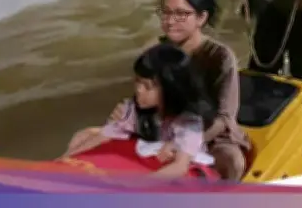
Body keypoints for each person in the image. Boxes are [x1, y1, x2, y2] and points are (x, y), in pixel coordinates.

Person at [63, 44, 216, 179]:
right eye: (138, 82)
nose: (139, 90)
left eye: (148, 87)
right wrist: (65, 159)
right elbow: (105, 134)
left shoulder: (188, 122)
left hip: (185, 173)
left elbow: (180, 167)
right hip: (148, 161)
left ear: (171, 89)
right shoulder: (133, 109)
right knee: (83, 138)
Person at [154, 0, 251, 180]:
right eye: (166, 12)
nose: (170, 21)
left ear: (201, 18)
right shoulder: (159, 53)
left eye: (181, 14)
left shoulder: (221, 57)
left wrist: (186, 143)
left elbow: (224, 118)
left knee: (233, 161)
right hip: (170, 128)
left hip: (212, 135)